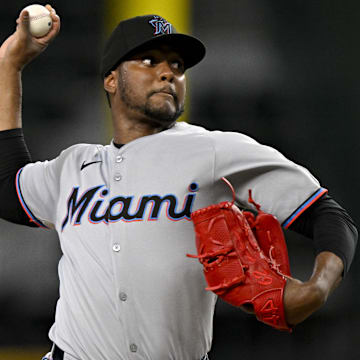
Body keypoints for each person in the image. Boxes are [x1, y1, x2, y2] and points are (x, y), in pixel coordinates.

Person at [0, 5, 357, 360]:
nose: (168, 73)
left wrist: (319, 287)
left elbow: (327, 215)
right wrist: (10, 65)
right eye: (149, 60)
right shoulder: (73, 165)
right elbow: (8, 191)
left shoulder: (215, 150)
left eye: (177, 65)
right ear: (111, 79)